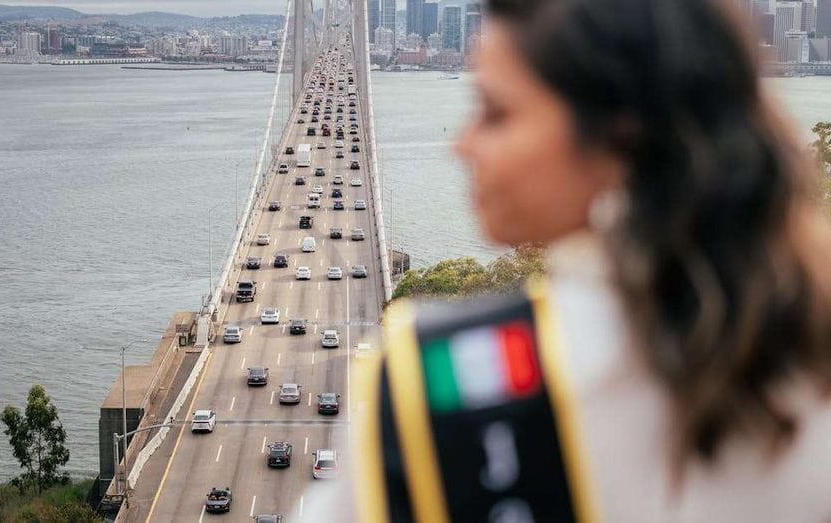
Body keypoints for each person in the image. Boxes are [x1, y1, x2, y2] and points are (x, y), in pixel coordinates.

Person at [345, 0, 831, 522]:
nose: (463, 145)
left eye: (495, 113)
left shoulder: (436, 384)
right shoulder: (804, 354)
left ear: (615, 137)